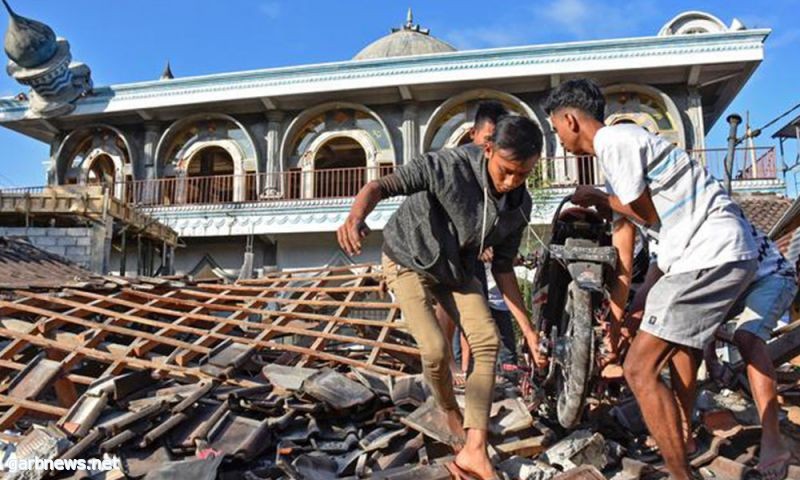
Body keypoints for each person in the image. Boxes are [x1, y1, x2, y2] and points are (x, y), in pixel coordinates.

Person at [544, 78, 759, 480]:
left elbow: (645, 214)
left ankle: (680, 473)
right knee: (676, 349)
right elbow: (626, 246)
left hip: (709, 251)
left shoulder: (615, 141)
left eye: (556, 130)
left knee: (639, 370)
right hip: (705, 254)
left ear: (570, 120)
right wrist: (619, 315)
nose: (560, 140)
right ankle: (682, 442)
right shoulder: (622, 159)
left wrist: (597, 198)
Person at [338, 115, 546, 480]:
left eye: (522, 174)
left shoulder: (518, 205)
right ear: (488, 149)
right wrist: (355, 217)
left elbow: (502, 269)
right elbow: (380, 186)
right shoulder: (447, 166)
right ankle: (449, 409)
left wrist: (528, 331)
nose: (511, 182)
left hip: (456, 269)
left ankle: (475, 449)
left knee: (486, 341)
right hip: (408, 257)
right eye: (506, 171)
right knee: (435, 350)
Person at [437, 101, 513, 386]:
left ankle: (478, 372)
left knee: (476, 307)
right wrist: (477, 239)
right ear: (473, 134)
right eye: (488, 138)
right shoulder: (456, 164)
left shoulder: (496, 170)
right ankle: (448, 362)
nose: (491, 146)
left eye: (498, 140)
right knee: (448, 295)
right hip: (445, 242)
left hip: (473, 252)